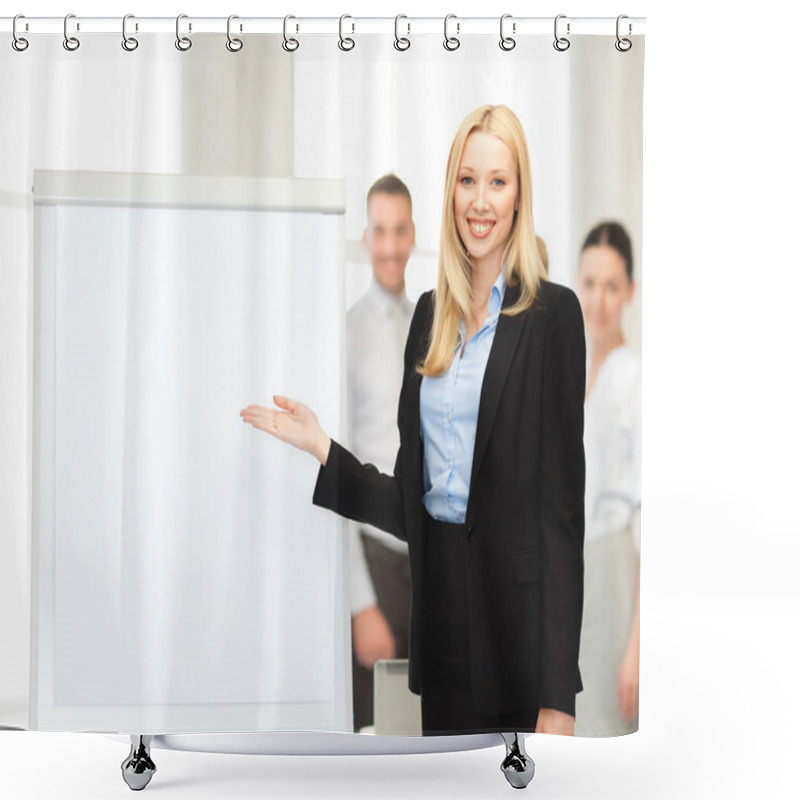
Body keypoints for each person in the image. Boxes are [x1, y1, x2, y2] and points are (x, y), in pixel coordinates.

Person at [241, 104, 585, 738]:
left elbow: (562, 522)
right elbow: (412, 504)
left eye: (497, 182)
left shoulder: (553, 317)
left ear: (518, 197)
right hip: (441, 623)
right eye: (467, 180)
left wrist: (557, 694)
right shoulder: (429, 317)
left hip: (518, 638)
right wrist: (324, 448)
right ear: (451, 190)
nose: (480, 201)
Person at [347, 174, 416, 731]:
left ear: (413, 234)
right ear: (366, 238)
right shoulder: (345, 333)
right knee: (376, 735)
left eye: (400, 230)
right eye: (380, 232)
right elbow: (333, 472)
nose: (390, 246)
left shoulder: (432, 324)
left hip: (431, 562)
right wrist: (359, 602)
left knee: (430, 728)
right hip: (377, 561)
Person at [573, 221, 641, 737]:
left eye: (611, 286)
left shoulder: (633, 380)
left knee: (610, 734)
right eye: (590, 284)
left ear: (630, 293)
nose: (598, 301)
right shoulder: (580, 376)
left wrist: (637, 648)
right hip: (582, 581)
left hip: (618, 577)